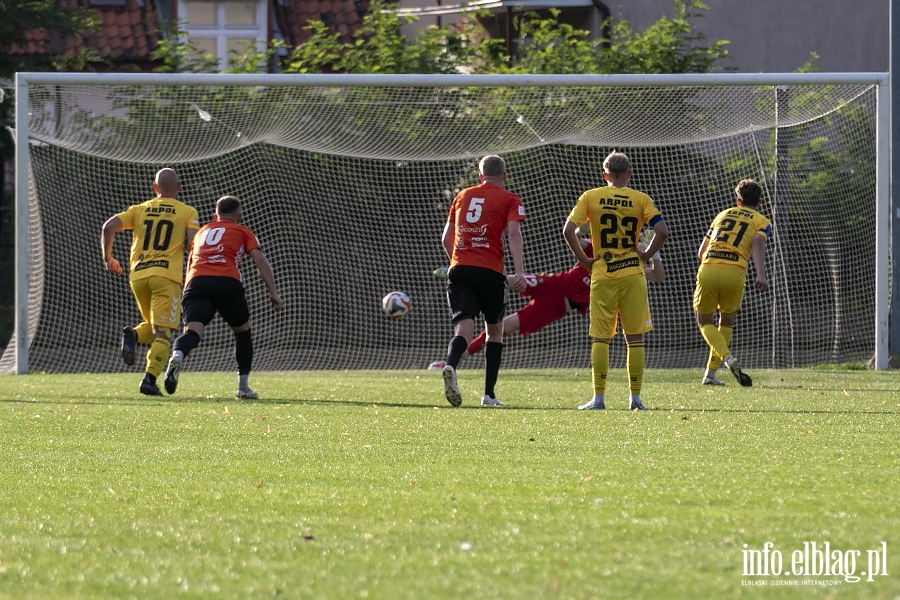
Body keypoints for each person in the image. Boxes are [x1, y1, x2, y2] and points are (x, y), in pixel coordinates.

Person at [432, 226, 664, 360]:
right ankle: (470, 272)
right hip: (555, 283)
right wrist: (583, 228)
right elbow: (572, 236)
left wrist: (653, 254)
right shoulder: (597, 244)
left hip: (558, 305)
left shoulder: (629, 261)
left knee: (506, 327)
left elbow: (658, 276)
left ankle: (460, 355)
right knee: (514, 280)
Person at [563, 151, 668, 411]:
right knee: (634, 338)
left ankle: (598, 399)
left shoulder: (591, 196)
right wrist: (646, 254)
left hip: (603, 274)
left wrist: (585, 260)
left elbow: (568, 230)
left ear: (605, 175)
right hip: (633, 273)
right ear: (629, 175)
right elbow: (662, 231)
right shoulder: (640, 199)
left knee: (601, 337)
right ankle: (635, 399)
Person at [163, 196, 283, 399]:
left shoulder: (201, 232)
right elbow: (259, 259)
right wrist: (273, 292)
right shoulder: (243, 231)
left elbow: (191, 261)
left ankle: (177, 356)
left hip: (196, 281)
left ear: (214, 215)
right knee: (242, 331)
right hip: (227, 281)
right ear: (239, 217)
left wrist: (190, 291)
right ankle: (243, 387)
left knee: (193, 331)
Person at [439, 155, 527, 407]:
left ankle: (451, 365)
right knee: (494, 331)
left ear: (480, 176)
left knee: (463, 330)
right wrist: (519, 272)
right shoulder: (510, 198)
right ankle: (488, 395)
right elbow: (513, 233)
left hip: (460, 269)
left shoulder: (461, 195)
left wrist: (457, 261)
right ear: (504, 176)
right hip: (490, 272)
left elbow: (447, 237)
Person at [102, 168, 199, 396]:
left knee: (152, 324)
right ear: (179, 186)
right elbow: (192, 246)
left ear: (154, 187)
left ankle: (133, 335)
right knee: (163, 333)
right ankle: (149, 379)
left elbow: (109, 226)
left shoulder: (139, 210)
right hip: (166, 277)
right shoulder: (187, 211)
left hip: (138, 276)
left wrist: (108, 259)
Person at [693, 179, 770, 387]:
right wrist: (761, 274)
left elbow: (701, 252)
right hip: (735, 272)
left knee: (704, 322)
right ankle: (710, 375)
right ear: (759, 203)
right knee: (726, 322)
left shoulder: (722, 214)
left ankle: (727, 358)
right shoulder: (762, 221)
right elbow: (758, 241)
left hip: (710, 267)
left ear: (738, 201)